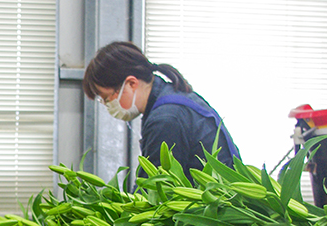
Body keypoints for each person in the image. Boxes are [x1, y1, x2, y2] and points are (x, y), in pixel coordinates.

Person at [82, 41, 240, 183]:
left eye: (107, 98)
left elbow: (152, 188)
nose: (108, 105)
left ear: (131, 83)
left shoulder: (166, 119)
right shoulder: (171, 98)